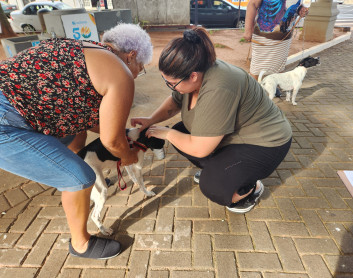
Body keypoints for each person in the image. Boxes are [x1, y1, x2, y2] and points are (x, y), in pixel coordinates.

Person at [0, 23, 152, 259]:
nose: (136, 74)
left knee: (76, 132)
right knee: (80, 177)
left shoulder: (84, 47)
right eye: (140, 68)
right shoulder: (120, 72)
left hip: (13, 102)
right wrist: (129, 156)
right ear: (131, 56)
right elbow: (112, 141)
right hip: (5, 122)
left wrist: (119, 132)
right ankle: (80, 243)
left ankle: (71, 184)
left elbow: (87, 119)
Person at [131, 27, 292, 214]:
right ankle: (223, 171)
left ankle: (250, 188)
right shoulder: (198, 71)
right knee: (181, 132)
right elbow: (173, 103)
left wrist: (167, 133)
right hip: (236, 135)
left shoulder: (219, 87)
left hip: (266, 142)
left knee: (213, 187)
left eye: (172, 83)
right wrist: (150, 120)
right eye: (165, 81)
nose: (170, 87)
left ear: (193, 76)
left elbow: (200, 149)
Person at [244, 0, 309, 81]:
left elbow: (295, 7)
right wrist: (248, 30)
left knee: (278, 66)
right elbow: (252, 4)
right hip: (264, 37)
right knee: (257, 67)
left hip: (284, 38)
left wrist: (301, 11)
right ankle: (254, 90)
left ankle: (273, 85)